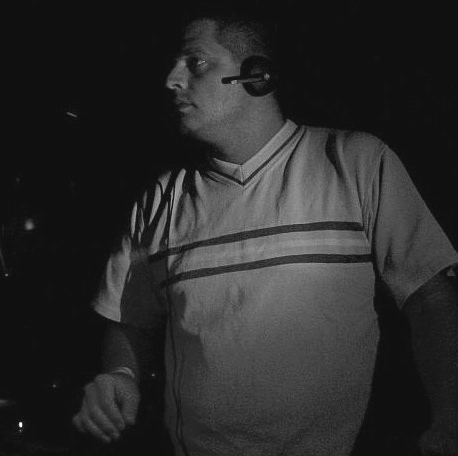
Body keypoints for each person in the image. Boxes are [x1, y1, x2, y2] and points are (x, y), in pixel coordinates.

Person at [72, 5, 458, 456]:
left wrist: (450, 417)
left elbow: (430, 298)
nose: (172, 80)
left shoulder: (357, 163)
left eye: (196, 62)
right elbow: (129, 320)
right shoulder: (162, 199)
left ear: (257, 76)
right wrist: (120, 374)